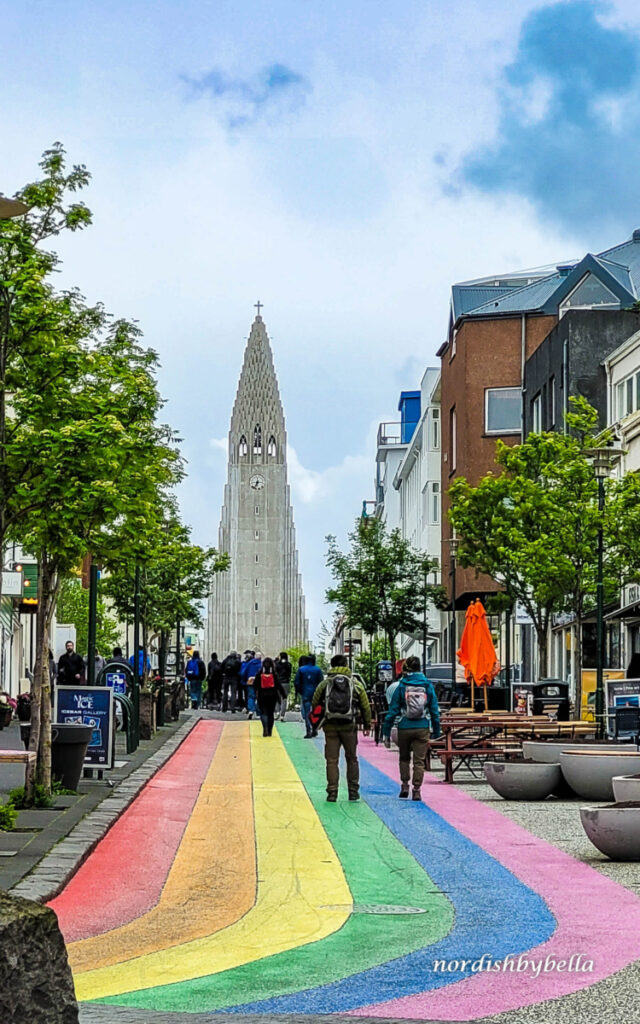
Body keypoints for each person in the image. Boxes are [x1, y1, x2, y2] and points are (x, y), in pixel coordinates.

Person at [312, 654, 371, 802]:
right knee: (352, 759)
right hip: (349, 726)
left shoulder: (325, 684)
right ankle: (353, 791)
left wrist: (318, 720)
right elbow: (365, 705)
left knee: (332, 760)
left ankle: (332, 792)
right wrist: (367, 723)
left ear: (332, 666)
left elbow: (315, 702)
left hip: (330, 726)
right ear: (346, 665)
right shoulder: (355, 684)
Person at [382, 655, 441, 801]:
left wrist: (386, 731)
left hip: (404, 726)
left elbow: (393, 710)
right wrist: (436, 731)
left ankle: (404, 785)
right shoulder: (427, 685)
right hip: (422, 727)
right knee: (419, 761)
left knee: (404, 758)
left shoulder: (402, 685)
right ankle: (416, 790)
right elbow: (434, 710)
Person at [254, 657, 287, 737]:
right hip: (272, 696)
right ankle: (269, 731)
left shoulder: (259, 674)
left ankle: (265, 728)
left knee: (263, 713)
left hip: (262, 696)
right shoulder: (274, 675)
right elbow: (279, 685)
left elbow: (255, 685)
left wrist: (256, 692)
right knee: (270, 714)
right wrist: (284, 695)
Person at [295, 654, 324, 738]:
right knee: (315, 712)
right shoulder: (318, 670)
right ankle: (315, 729)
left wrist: (299, 691)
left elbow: (297, 682)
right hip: (316, 695)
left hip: (305, 693)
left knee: (307, 712)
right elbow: (321, 683)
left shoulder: (301, 669)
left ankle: (308, 730)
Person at [241, 650, 263, 719]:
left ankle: (251, 710)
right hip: (259, 683)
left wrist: (245, 679)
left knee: (251, 697)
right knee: (259, 697)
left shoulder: (250, 663)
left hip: (250, 681)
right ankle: (258, 713)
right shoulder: (261, 664)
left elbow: (243, 672)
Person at [275, 652, 292, 721]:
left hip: (278, 683)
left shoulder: (277, 664)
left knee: (277, 698)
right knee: (284, 699)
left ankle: (277, 712)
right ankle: (282, 715)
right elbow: (289, 674)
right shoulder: (289, 665)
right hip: (286, 683)